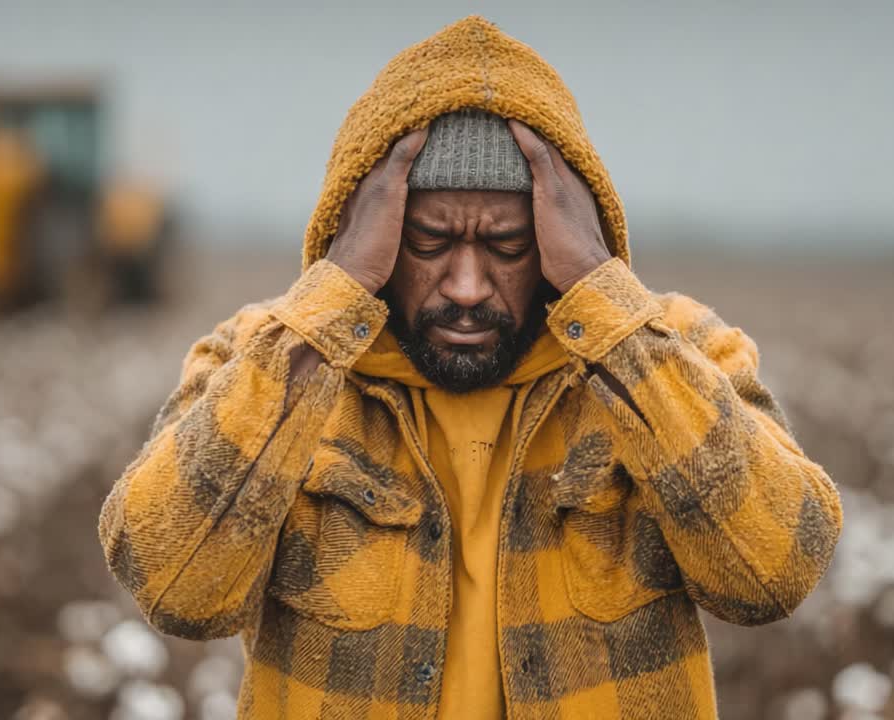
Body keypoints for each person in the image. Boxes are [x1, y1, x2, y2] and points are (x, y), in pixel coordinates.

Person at [98, 15, 843, 719]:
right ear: (365, 232)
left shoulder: (673, 352)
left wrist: (606, 301)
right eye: (427, 241)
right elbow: (176, 586)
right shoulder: (267, 362)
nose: (465, 286)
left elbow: (771, 573)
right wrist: (333, 297)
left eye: (508, 246)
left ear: (564, 239)